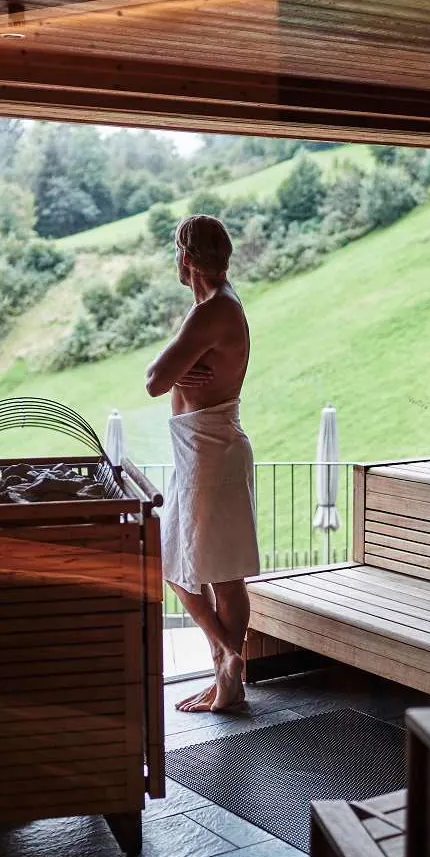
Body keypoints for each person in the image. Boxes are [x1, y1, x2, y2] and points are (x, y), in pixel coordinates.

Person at [144, 215, 261, 713]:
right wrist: (182, 372)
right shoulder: (220, 307)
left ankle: (228, 667)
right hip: (207, 448)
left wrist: (175, 372)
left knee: (196, 568)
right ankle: (226, 671)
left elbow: (153, 379)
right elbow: (171, 376)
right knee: (204, 570)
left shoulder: (212, 311)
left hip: (210, 452)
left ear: (186, 258)